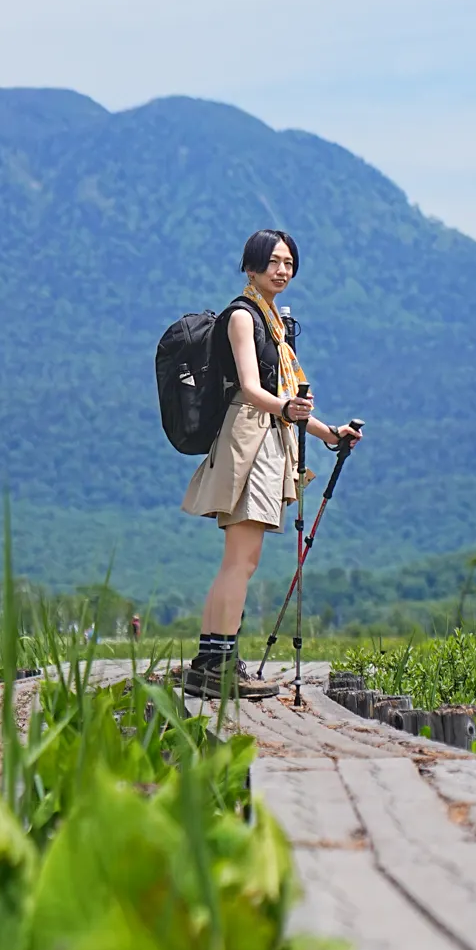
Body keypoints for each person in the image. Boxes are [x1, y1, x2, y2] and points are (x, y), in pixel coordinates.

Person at [180, 228, 359, 698]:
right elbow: (254, 390)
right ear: (251, 267)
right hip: (250, 437)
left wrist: (329, 433)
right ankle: (216, 663)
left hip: (269, 434)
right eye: (273, 261)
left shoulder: (275, 321)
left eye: (288, 262)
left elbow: (285, 401)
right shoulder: (243, 317)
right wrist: (287, 411)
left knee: (243, 560)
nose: (282, 270)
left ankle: (213, 659)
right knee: (241, 559)